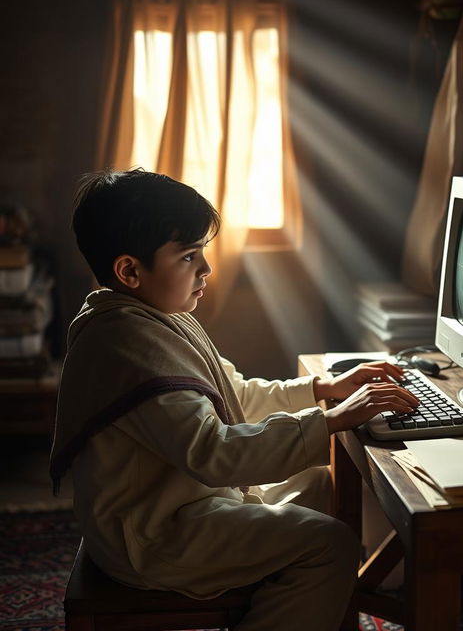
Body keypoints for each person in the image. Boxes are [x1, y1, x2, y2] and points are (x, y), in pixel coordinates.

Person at [50, 168, 418, 631]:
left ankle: (295, 604)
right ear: (129, 270)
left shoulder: (155, 317)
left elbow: (236, 395)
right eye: (188, 257)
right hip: (154, 535)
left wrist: (322, 391)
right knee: (330, 544)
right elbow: (215, 454)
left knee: (321, 482)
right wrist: (332, 421)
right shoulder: (126, 345)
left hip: (187, 505)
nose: (206, 268)